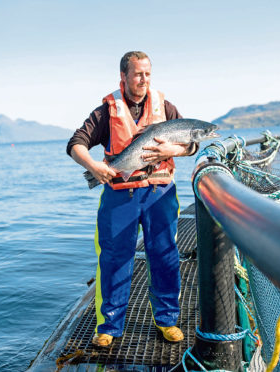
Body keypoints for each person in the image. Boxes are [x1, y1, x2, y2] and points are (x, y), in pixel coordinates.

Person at [66, 51, 198, 347]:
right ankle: (109, 326)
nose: (144, 79)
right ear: (123, 77)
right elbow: (76, 144)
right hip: (119, 198)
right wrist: (94, 167)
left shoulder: (165, 107)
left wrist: (171, 152)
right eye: (138, 74)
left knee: (165, 257)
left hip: (160, 195)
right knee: (113, 260)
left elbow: (192, 144)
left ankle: (167, 320)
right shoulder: (105, 112)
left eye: (148, 74)